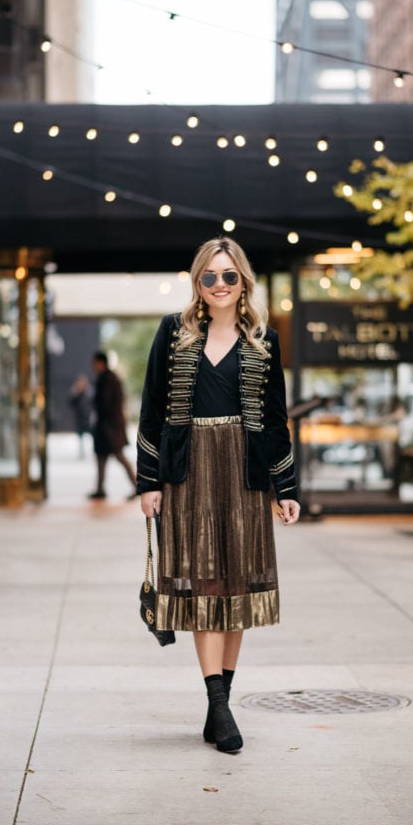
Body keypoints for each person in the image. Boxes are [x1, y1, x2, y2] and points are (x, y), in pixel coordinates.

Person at [137, 237, 300, 753]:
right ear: (197, 283)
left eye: (230, 276)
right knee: (206, 585)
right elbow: (152, 407)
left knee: (237, 588)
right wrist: (149, 482)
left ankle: (219, 703)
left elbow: (276, 419)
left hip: (246, 475)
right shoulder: (173, 332)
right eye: (210, 277)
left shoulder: (263, 340)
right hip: (189, 473)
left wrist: (286, 487)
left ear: (243, 281)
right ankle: (220, 706)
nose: (221, 285)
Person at [88, 351, 137, 500]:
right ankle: (100, 488)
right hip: (109, 427)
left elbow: (105, 403)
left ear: (100, 363)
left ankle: (137, 486)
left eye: (94, 363)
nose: (92, 366)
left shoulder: (107, 379)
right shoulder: (110, 378)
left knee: (119, 456)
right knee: (103, 458)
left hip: (109, 428)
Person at [68, 374, 92, 458]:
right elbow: (71, 403)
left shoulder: (89, 392)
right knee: (80, 437)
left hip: (88, 418)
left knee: (92, 435)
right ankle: (82, 453)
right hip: (79, 418)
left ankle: (92, 451)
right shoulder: (76, 393)